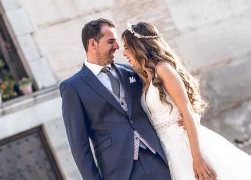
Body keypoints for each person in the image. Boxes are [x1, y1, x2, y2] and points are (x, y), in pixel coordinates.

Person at [122, 22, 251, 180]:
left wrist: (197, 158)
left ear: (139, 46)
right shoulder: (145, 77)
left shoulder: (163, 69)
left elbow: (187, 111)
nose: (124, 54)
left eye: (127, 48)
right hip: (168, 150)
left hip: (185, 144)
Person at [60, 18, 171, 180]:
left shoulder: (130, 71)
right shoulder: (73, 87)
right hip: (119, 171)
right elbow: (79, 146)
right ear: (93, 44)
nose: (117, 47)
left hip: (158, 158)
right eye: (111, 41)